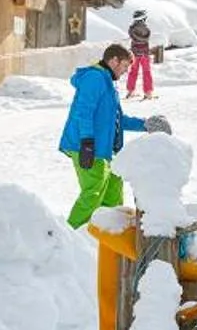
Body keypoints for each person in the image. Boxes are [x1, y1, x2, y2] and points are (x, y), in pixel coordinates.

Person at [58, 43, 153, 229]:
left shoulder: (108, 82)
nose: (126, 71)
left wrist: (146, 124)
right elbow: (83, 112)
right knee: (93, 192)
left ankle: (107, 236)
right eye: (124, 65)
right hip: (87, 146)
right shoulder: (94, 78)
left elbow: (116, 119)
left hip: (105, 149)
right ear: (113, 60)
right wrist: (87, 142)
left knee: (113, 193)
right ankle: (70, 234)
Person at [125, 9, 156, 100]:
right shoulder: (146, 29)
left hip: (135, 54)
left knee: (133, 71)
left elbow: (133, 37)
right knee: (146, 72)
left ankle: (130, 91)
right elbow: (146, 39)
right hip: (145, 54)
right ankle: (148, 92)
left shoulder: (132, 29)